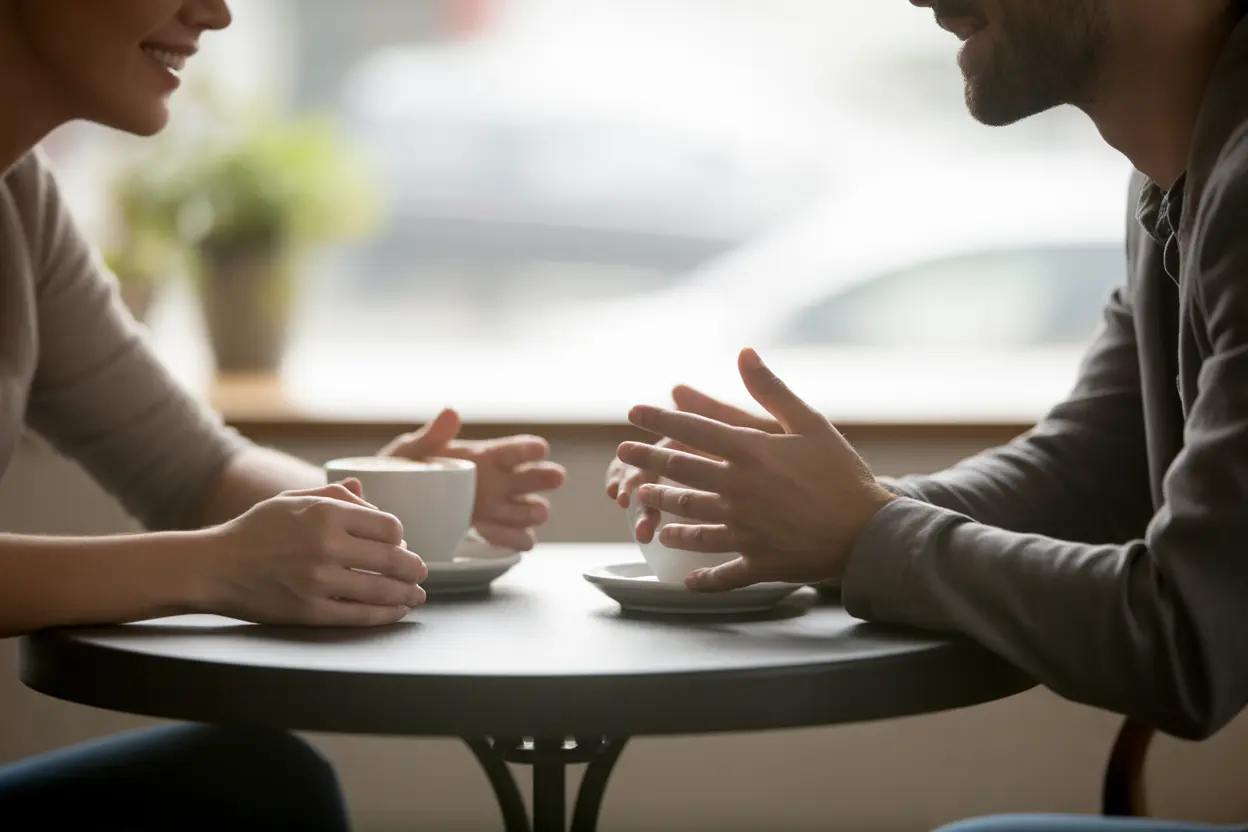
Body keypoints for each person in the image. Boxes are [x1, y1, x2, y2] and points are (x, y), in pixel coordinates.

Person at [607, 1, 1248, 831]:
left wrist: (862, 533)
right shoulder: (1177, 176)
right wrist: (812, 514)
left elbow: (1190, 640)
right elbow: (1094, 463)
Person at [0, 0, 566, 827]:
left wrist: (385, 503)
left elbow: (195, 467)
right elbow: (213, 536)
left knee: (259, 782)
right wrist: (209, 567)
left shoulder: (20, 205)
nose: (216, 13)